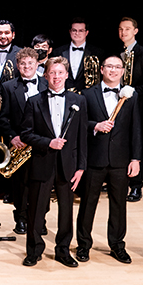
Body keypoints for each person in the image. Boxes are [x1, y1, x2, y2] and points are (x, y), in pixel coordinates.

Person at [20, 56, 88, 268]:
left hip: (68, 165)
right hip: (42, 162)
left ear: (66, 75)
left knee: (66, 210)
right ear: (45, 75)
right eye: (52, 73)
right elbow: (26, 134)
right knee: (37, 210)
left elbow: (82, 137)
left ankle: (63, 250)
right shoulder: (34, 101)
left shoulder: (79, 101)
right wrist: (49, 143)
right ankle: (34, 250)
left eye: (60, 73)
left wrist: (81, 167)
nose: (56, 77)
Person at [76, 56, 142, 264]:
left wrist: (136, 158)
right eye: (109, 67)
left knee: (119, 205)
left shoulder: (132, 96)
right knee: (88, 204)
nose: (113, 70)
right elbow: (80, 124)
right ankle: (83, 245)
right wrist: (95, 126)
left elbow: (136, 129)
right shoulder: (87, 94)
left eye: (117, 67)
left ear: (123, 71)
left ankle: (117, 245)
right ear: (102, 69)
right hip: (94, 159)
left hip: (121, 160)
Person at [0, 48, 47, 234]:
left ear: (37, 64)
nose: (27, 67)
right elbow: (3, 117)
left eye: (30, 63)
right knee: (21, 184)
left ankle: (40, 219)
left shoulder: (47, 83)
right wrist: (13, 136)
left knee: (41, 184)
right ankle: (21, 218)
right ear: (18, 66)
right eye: (23, 64)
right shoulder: (8, 87)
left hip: (41, 143)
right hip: (19, 143)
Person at [117, 16, 143, 203]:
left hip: (137, 105)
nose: (123, 32)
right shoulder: (121, 53)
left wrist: (134, 90)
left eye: (127, 29)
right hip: (122, 104)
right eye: (120, 29)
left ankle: (136, 186)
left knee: (136, 143)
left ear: (135, 31)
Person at [53, 19, 103, 93]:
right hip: (64, 93)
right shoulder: (58, 52)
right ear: (70, 31)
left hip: (88, 95)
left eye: (81, 31)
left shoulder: (97, 52)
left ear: (86, 33)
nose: (77, 33)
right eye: (74, 30)